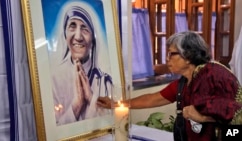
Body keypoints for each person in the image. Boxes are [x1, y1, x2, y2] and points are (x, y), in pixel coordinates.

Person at [97, 31, 242, 141]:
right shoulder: (184, 82)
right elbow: (153, 99)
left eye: (171, 54)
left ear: (188, 56)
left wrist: (204, 118)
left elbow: (236, 117)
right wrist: (116, 104)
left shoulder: (212, 76)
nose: (167, 59)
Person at [52, 5, 112, 126]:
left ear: (93, 40)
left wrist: (91, 99)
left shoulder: (104, 81)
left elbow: (112, 121)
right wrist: (77, 105)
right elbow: (52, 130)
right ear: (65, 34)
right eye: (72, 26)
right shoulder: (53, 79)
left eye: (85, 28)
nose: (78, 37)